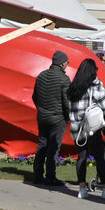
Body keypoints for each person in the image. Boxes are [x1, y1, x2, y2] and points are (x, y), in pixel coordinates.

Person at [66, 57, 105, 195]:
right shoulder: (96, 85)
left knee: (81, 157)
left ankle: (82, 189)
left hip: (77, 128)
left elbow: (69, 108)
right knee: (99, 157)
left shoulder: (73, 87)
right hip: (92, 128)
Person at [31, 51, 70, 187]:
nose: (67, 64)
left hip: (42, 117)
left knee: (42, 145)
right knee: (54, 148)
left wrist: (41, 109)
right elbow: (67, 102)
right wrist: (68, 117)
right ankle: (50, 177)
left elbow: (34, 97)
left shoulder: (41, 76)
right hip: (57, 118)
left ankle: (37, 176)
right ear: (63, 63)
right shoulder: (64, 79)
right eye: (67, 62)